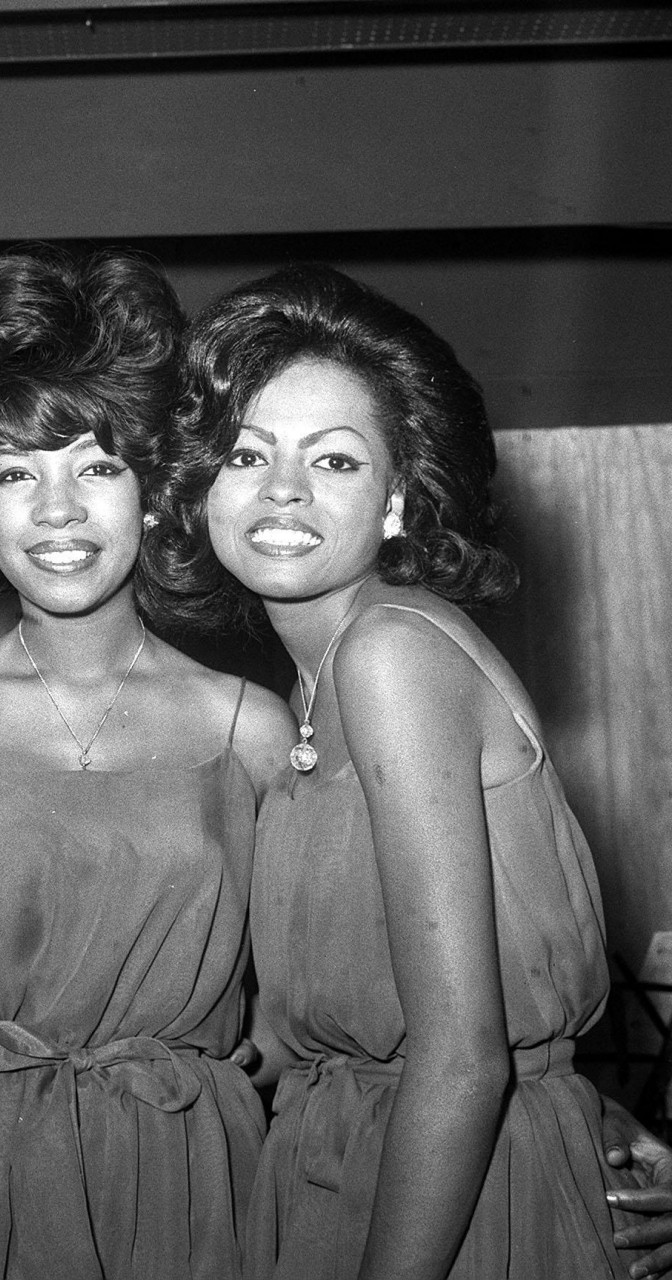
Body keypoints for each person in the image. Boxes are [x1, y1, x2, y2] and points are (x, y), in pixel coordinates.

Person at [153, 261, 662, 1279]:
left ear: (395, 500)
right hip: (356, 1168)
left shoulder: (391, 654)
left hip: (439, 1209)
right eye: (247, 452)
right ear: (201, 487)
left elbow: (465, 1060)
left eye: (335, 460)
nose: (283, 488)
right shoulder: (317, 680)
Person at [0, 246, 295, 1278]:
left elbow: (312, 1026)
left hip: (173, 1185)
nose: (58, 508)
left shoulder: (253, 730)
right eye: (16, 473)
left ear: (155, 493)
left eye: (98, 467)